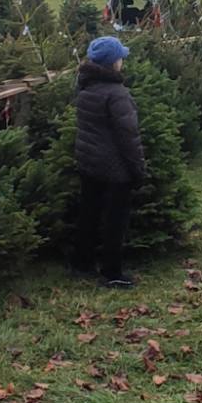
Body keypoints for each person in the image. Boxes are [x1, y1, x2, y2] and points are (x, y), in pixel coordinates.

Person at [74, 35, 147, 288]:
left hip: (88, 163)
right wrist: (138, 169)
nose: (122, 62)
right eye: (120, 58)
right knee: (115, 221)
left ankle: (81, 263)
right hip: (116, 169)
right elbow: (129, 136)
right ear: (113, 63)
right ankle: (112, 272)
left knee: (89, 214)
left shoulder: (84, 86)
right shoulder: (117, 94)